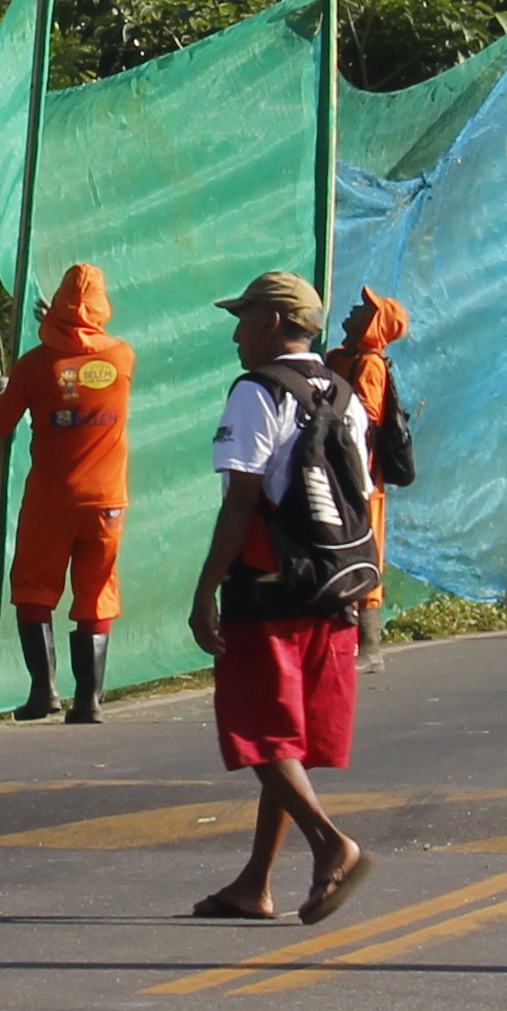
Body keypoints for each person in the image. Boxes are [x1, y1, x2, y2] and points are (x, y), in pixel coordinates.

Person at [183, 270, 381, 927]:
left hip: (267, 587)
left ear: (272, 322)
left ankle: (332, 845)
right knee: (286, 738)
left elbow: (243, 499)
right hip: (333, 585)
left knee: (258, 731)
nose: (237, 333)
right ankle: (255, 884)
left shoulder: (256, 392)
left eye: (243, 319)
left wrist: (207, 586)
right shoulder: (345, 392)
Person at [0, 264, 134, 723]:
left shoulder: (34, 365)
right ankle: (89, 699)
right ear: (102, 308)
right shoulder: (123, 357)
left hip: (51, 500)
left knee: (34, 587)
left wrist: (6, 391)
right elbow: (90, 348)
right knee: (97, 589)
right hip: (107, 501)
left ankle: (44, 690)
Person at [330, 286, 416, 657]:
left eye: (366, 308)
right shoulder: (338, 358)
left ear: (376, 324)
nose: (355, 308)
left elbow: (363, 423)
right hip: (339, 474)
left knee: (366, 551)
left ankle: (369, 646)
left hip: (362, 478)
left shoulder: (370, 365)